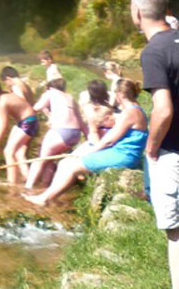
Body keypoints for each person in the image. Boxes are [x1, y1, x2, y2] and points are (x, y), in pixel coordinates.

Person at [131, 0, 179, 289]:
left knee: (175, 229)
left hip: (173, 150)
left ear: (137, 14)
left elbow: (162, 110)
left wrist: (151, 146)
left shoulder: (153, 52)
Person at [24, 77, 147, 207]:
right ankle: (49, 197)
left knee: (70, 166)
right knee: (66, 163)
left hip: (123, 155)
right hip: (123, 153)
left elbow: (109, 141)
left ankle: (45, 199)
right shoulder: (136, 110)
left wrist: (90, 152)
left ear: (120, 94)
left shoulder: (130, 113)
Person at [25, 76, 85, 190]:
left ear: (49, 87)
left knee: (40, 160)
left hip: (60, 131)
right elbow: (80, 121)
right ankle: (45, 186)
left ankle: (28, 188)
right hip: (75, 135)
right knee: (50, 160)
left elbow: (36, 107)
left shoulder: (50, 92)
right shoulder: (70, 97)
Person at [0, 76, 40, 183]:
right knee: (18, 153)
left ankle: (12, 183)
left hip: (28, 122)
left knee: (8, 152)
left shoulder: (1, 101)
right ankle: (28, 180)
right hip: (26, 121)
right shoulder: (2, 96)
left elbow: (3, 123)